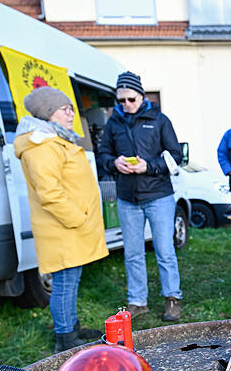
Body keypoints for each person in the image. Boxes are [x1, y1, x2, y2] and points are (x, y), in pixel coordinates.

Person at [14, 87, 108, 352]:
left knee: (70, 281)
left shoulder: (53, 139)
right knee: (65, 284)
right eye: (64, 109)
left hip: (69, 228)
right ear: (48, 113)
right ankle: (65, 340)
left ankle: (71, 327)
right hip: (63, 228)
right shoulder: (40, 145)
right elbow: (50, 193)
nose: (71, 113)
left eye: (71, 108)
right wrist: (78, 218)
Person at [97, 71, 184, 322]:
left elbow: (175, 156)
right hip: (127, 198)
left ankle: (172, 298)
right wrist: (114, 163)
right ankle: (138, 301)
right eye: (121, 100)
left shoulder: (159, 119)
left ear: (141, 95)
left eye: (131, 99)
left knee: (164, 250)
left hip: (158, 195)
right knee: (132, 252)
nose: (126, 105)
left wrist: (150, 166)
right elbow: (103, 156)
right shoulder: (114, 123)